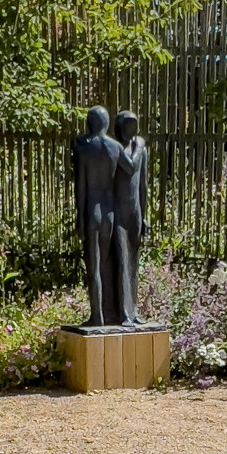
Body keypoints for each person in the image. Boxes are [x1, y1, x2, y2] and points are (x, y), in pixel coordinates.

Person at [72, 107, 122, 325]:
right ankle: (110, 312)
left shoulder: (85, 150)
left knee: (93, 265)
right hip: (110, 211)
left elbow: (81, 188)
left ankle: (97, 316)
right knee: (106, 265)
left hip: (92, 210)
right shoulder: (116, 147)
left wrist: (79, 218)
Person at [112, 111, 148, 326]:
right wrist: (140, 146)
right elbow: (131, 166)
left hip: (134, 212)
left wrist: (143, 215)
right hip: (117, 211)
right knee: (121, 261)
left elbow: (142, 184)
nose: (132, 130)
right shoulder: (116, 149)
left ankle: (133, 311)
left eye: (135, 125)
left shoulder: (140, 149)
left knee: (133, 264)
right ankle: (123, 312)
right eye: (128, 125)